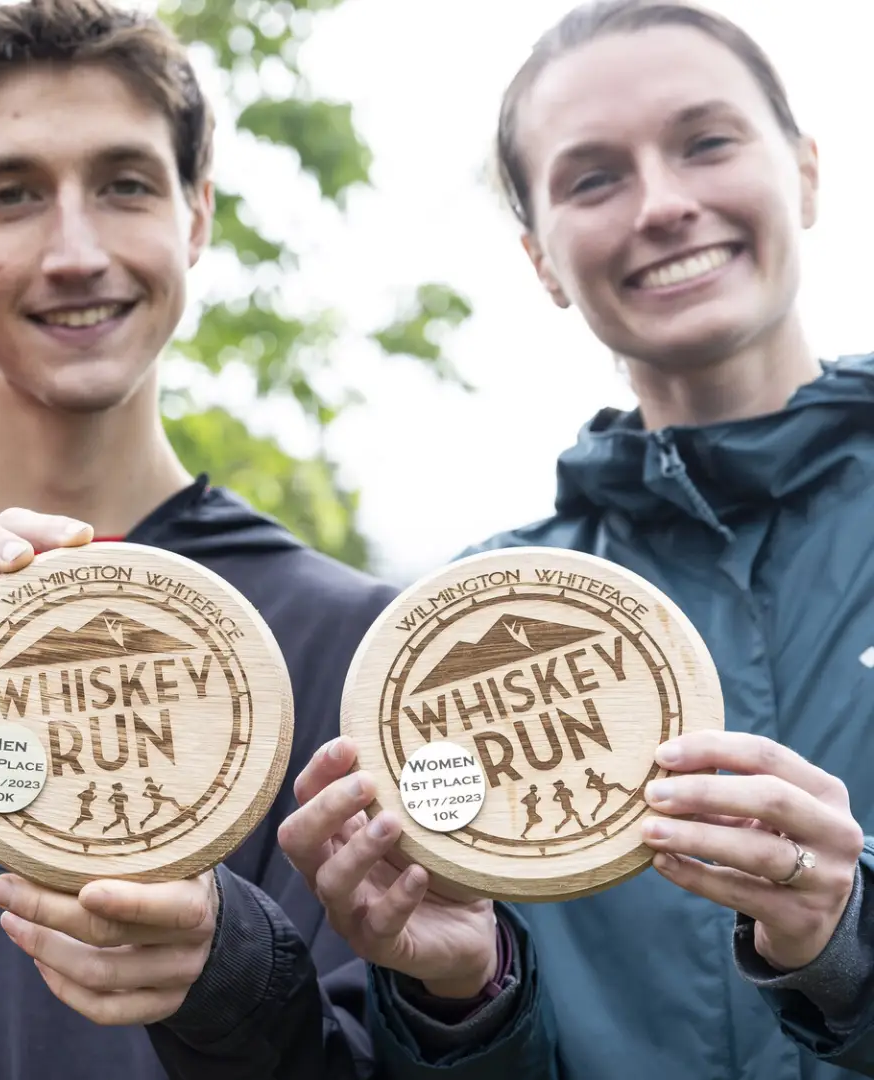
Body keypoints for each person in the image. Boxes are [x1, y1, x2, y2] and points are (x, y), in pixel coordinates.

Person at [0, 2, 519, 1076]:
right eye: (12, 195)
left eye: (126, 184)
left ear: (197, 218)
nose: (75, 251)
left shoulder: (361, 647)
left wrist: (233, 980)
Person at [278, 2, 874, 1077]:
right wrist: (460, 995)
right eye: (593, 178)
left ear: (808, 170)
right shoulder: (461, 616)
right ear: (541, 261)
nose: (664, 204)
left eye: (706, 141)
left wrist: (852, 945)